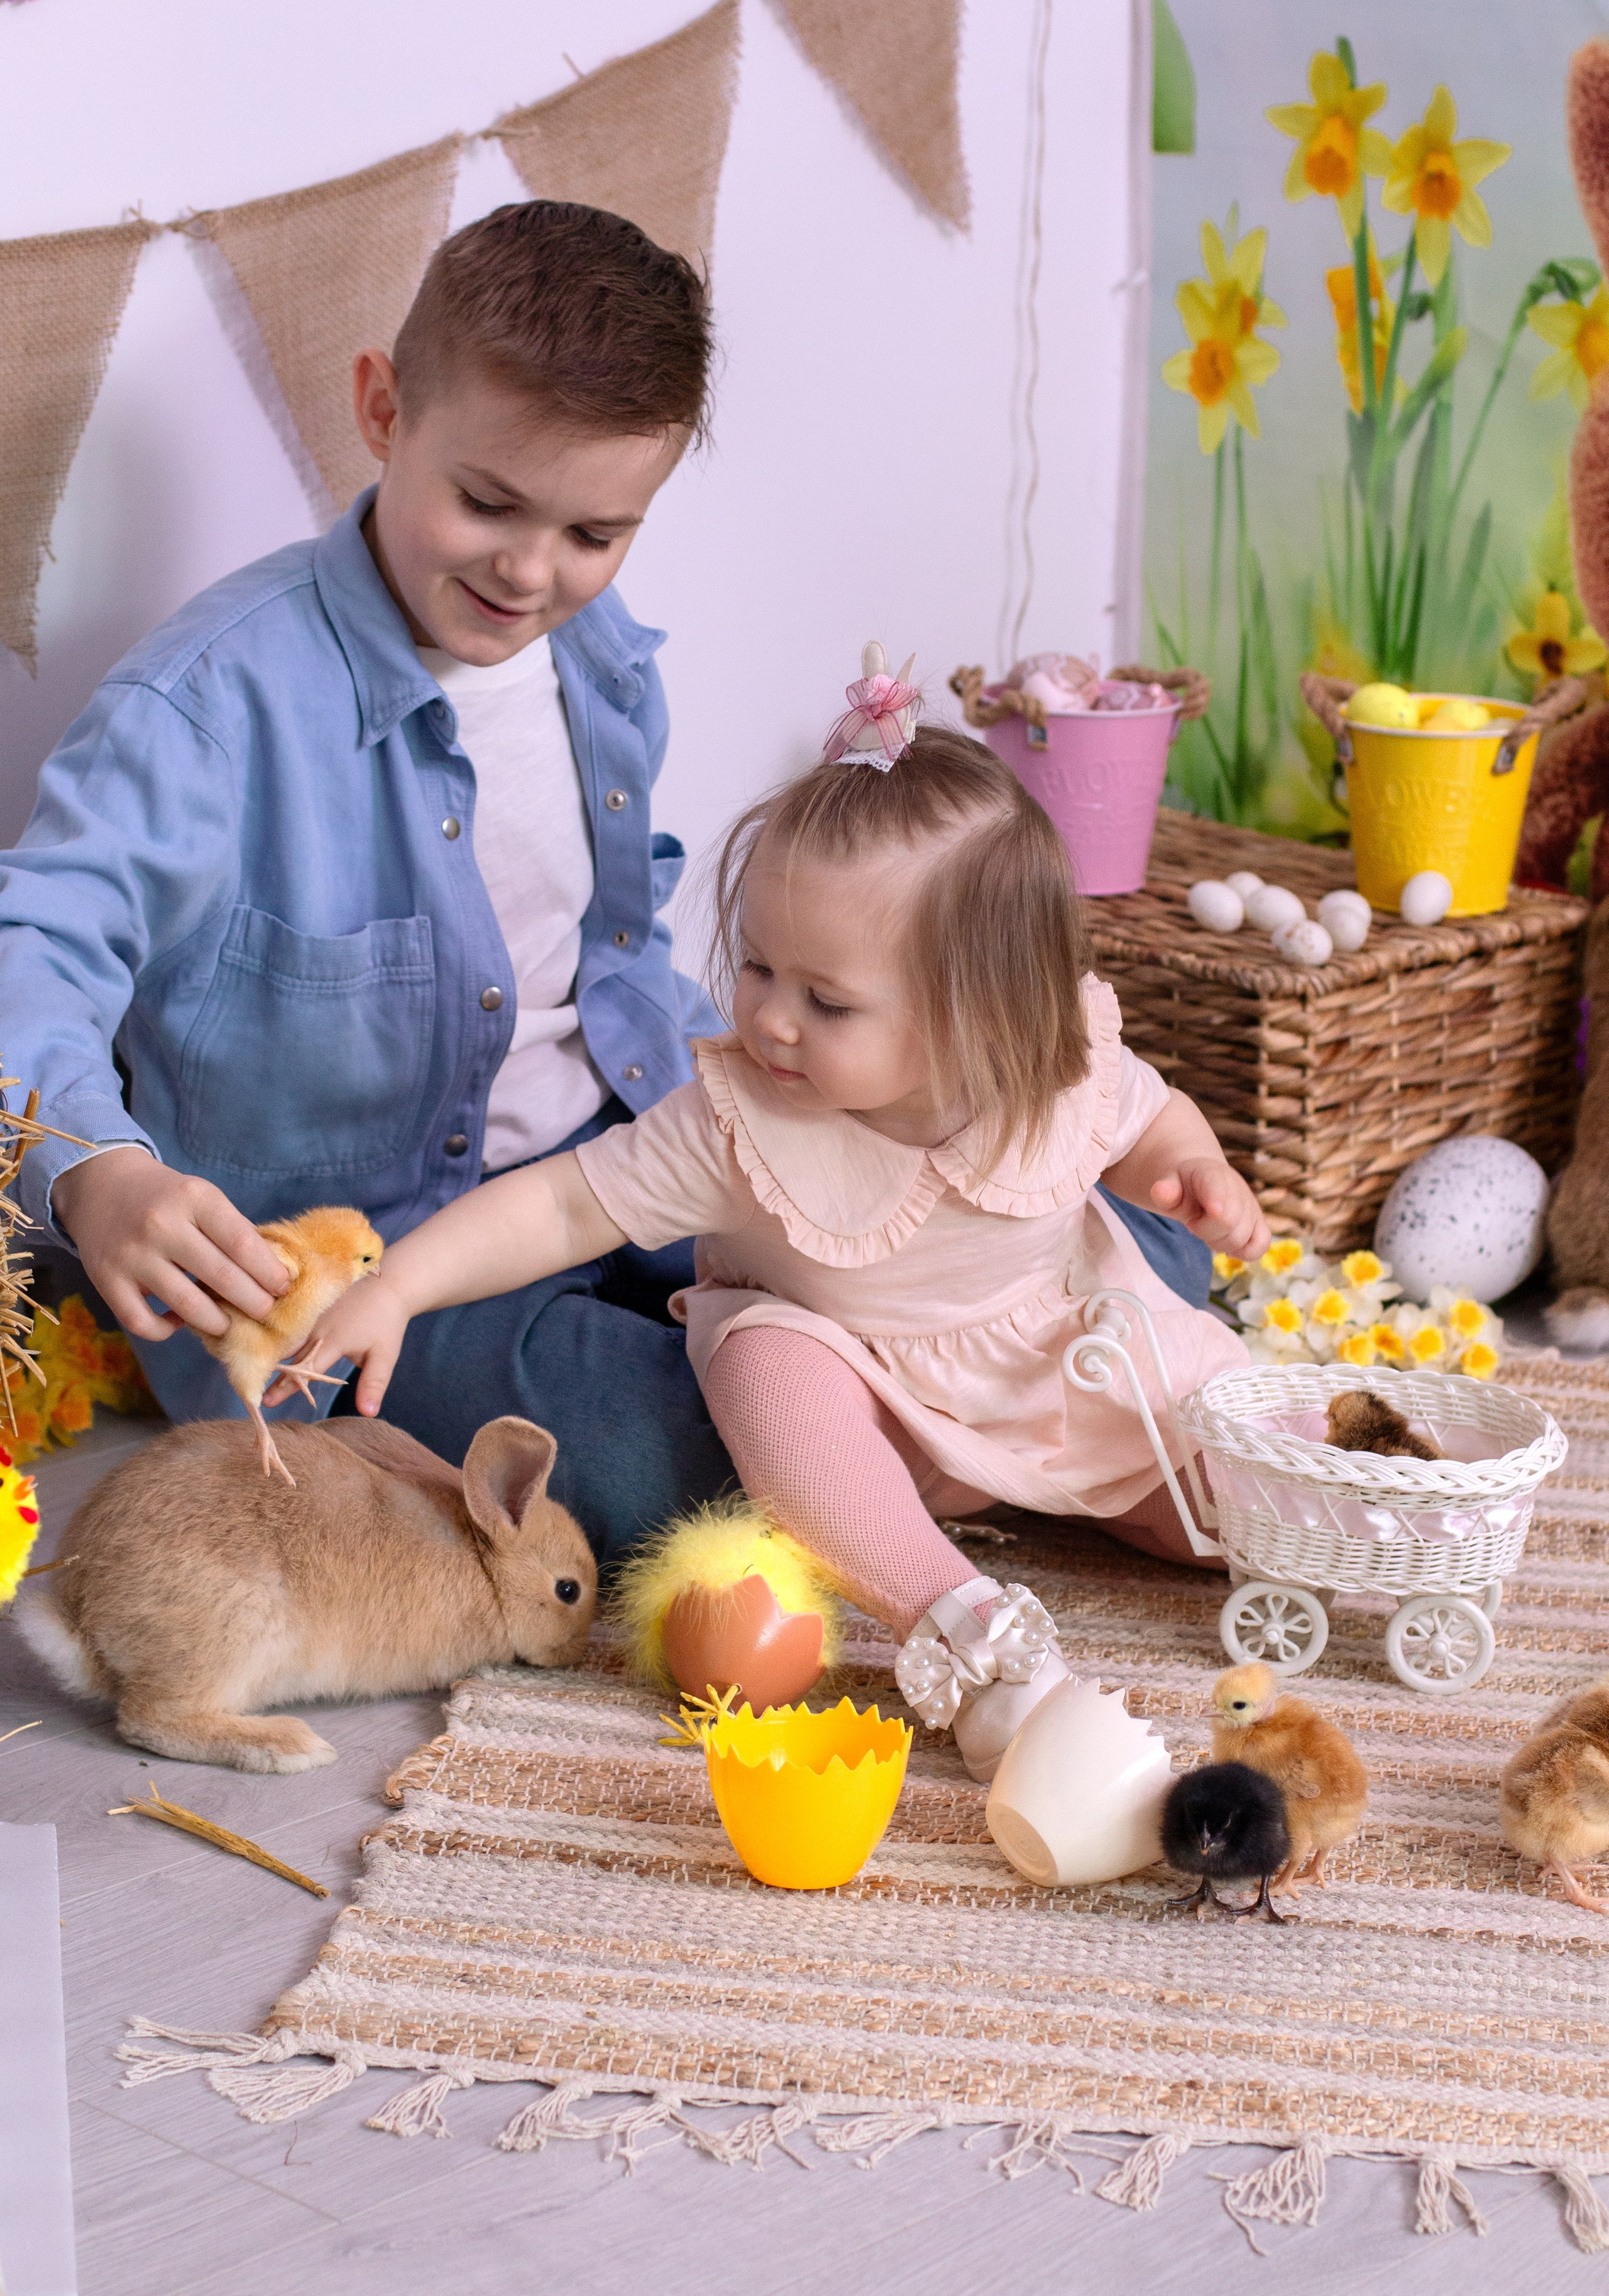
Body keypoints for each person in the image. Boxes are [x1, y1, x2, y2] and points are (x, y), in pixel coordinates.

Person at [285, 664, 1268, 1772]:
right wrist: (398, 1286)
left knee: (1236, 1485)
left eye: (826, 1001)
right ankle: (960, 1618)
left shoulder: (1058, 1063)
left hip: (1055, 1362)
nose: (770, 1020)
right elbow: (562, 1204)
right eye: (757, 966)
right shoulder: (744, 1120)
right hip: (861, 1396)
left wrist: (1189, 1168)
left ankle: (1324, 1509)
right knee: (767, 1364)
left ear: (986, 1016)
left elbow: (1149, 1118)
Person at [0, 199, 737, 1563]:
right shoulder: (208, 707)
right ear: (383, 410)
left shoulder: (604, 661)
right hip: (372, 1267)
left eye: (594, 533)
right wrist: (96, 1174)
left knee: (989, 1272)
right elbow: (30, 949)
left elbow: (618, 946)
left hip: (610, 1156)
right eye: (487, 505)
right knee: (666, 1461)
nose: (530, 571)